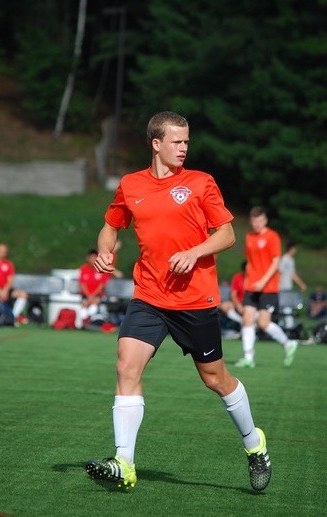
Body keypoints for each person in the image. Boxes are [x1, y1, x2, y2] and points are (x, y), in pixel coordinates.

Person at [85, 111, 271, 492]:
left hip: (194, 299)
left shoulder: (201, 183)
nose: (184, 148)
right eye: (176, 142)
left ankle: (254, 444)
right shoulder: (131, 184)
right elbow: (111, 224)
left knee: (215, 379)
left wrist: (196, 251)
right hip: (149, 296)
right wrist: (105, 252)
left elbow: (226, 234)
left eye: (186, 142)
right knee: (126, 367)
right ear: (156, 144)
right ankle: (124, 462)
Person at [235, 207, 298, 369]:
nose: (257, 224)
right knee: (247, 318)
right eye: (254, 221)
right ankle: (248, 357)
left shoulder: (272, 237)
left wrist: (263, 281)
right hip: (252, 286)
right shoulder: (249, 237)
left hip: (268, 287)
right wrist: (249, 278)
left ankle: (288, 343)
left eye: (260, 220)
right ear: (251, 221)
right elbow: (249, 261)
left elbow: (275, 262)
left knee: (263, 323)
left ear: (265, 220)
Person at [0, 243, 28, 323]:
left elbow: (10, 280)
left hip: (6, 290)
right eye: (0, 251)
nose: (2, 253)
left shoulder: (9, 264)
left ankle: (13, 317)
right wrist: (0, 292)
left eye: (4, 251)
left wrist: (5, 291)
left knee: (23, 294)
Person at [78, 248, 112, 327]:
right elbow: (83, 284)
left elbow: (101, 286)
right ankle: (84, 323)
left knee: (95, 302)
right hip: (86, 295)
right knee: (85, 303)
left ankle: (89, 321)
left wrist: (92, 296)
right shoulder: (83, 269)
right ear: (88, 258)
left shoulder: (102, 268)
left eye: (94, 258)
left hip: (97, 295)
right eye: (91, 258)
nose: (92, 260)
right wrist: (89, 295)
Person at [279, 241, 307, 329]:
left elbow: (291, 273)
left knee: (284, 307)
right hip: (283, 286)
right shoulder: (285, 259)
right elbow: (281, 273)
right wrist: (301, 284)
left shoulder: (289, 260)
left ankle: (284, 325)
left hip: (286, 286)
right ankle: (288, 326)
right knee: (286, 306)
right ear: (291, 249)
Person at [219, 260, 247, 329]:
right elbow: (233, 295)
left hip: (250, 304)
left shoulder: (255, 278)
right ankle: (242, 322)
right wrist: (238, 305)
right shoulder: (238, 277)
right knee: (224, 306)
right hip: (238, 303)